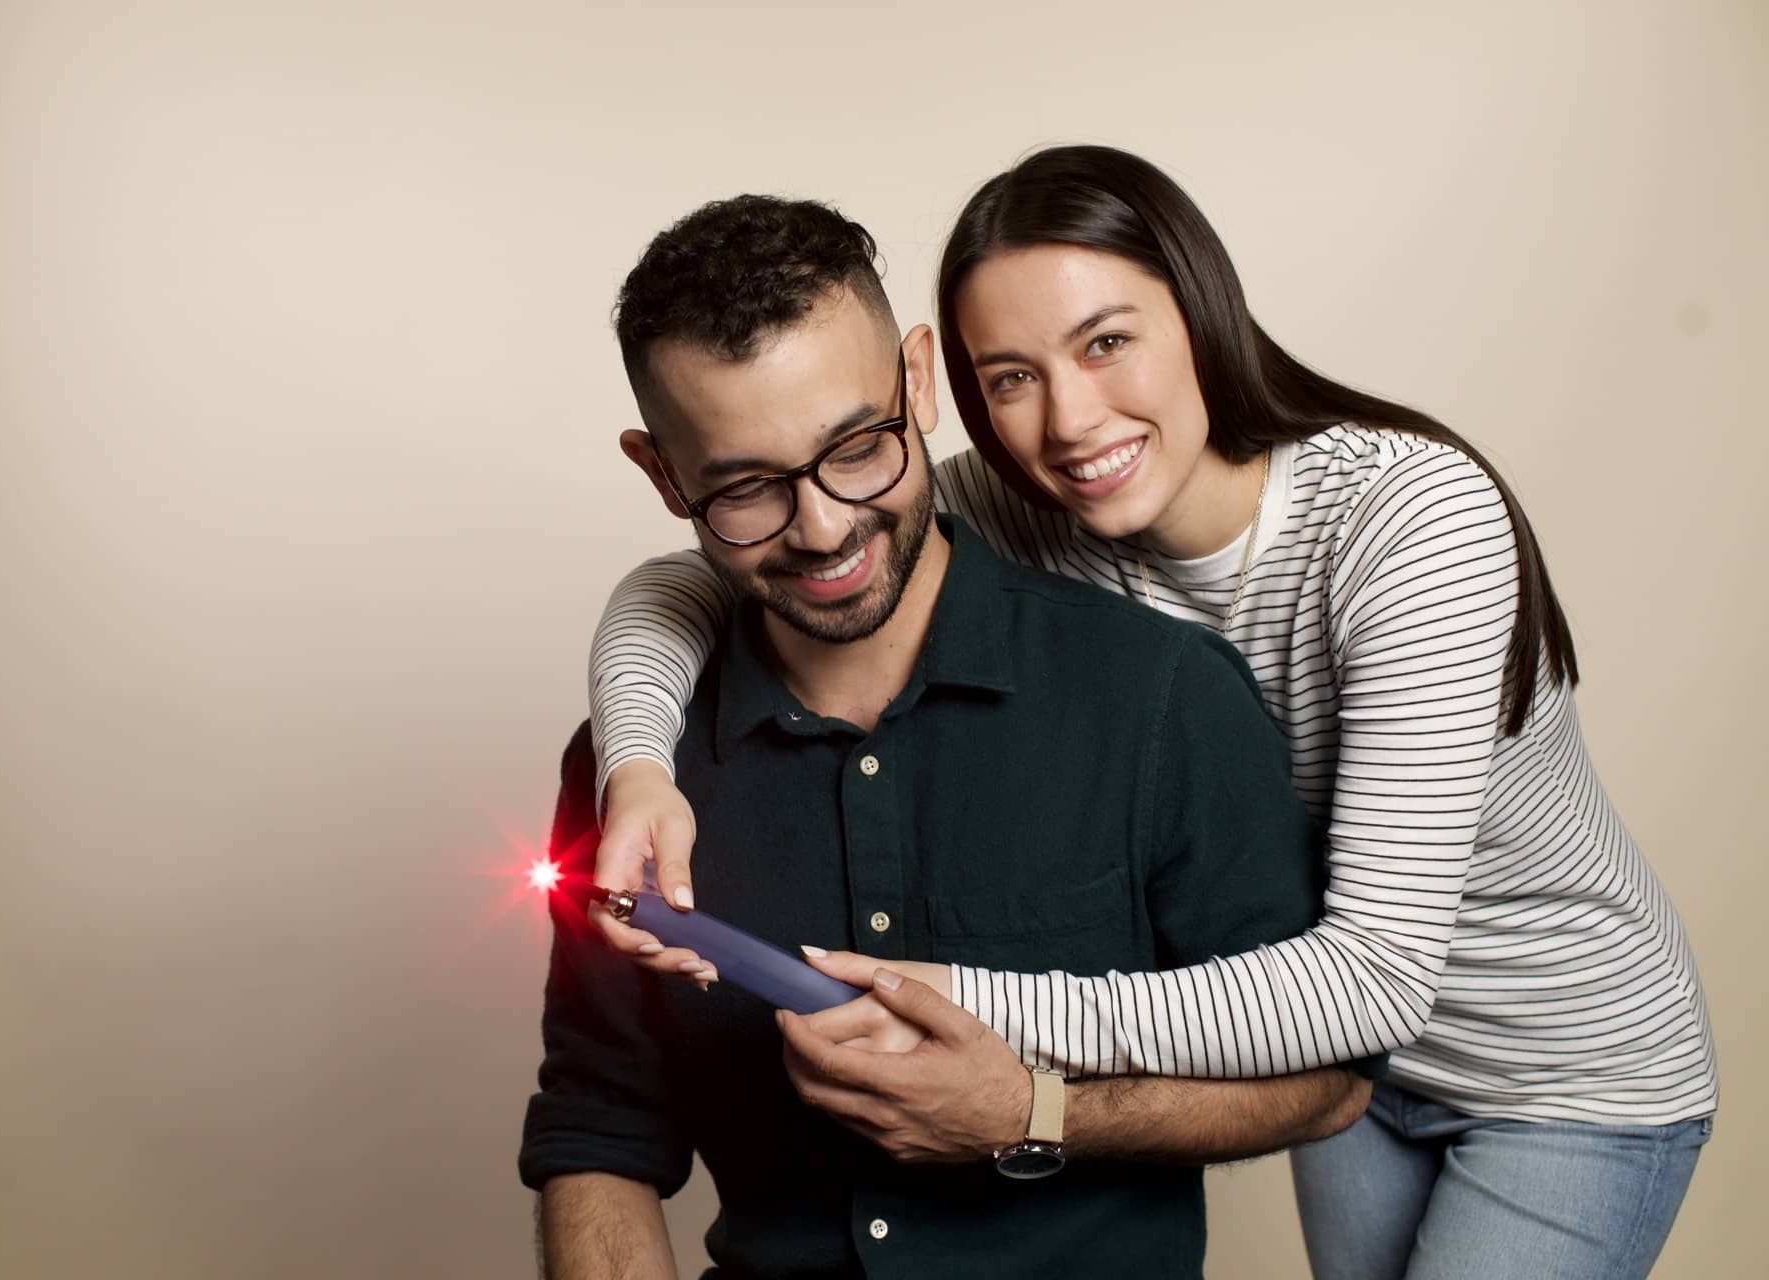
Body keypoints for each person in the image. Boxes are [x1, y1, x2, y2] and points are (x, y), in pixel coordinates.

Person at [581, 148, 1717, 1280]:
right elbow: (678, 585)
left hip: (1557, 1066)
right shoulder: (1014, 495)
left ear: (1202, 311)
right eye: (1012, 376)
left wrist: (959, 1013)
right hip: (1328, 1061)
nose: (1072, 419)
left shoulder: (1409, 520)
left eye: (1107, 341)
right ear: (951, 388)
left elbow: (1375, 976)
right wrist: (637, 763)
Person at [519, 194, 1372, 1279]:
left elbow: (1328, 1079)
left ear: (920, 382)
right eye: (743, 488)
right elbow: (601, 1127)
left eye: (859, 447)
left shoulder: (1161, 695)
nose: (824, 526)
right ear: (663, 474)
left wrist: (1035, 1111)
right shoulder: (631, 769)